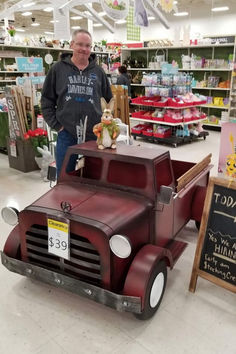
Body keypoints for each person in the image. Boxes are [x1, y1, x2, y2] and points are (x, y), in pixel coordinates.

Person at [41, 29, 113, 177]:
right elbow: (46, 100)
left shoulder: (99, 72)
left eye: (88, 45)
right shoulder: (57, 69)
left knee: (94, 176)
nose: (84, 49)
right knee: (64, 177)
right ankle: (65, 201)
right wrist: (57, 126)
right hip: (66, 133)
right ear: (72, 44)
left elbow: (108, 101)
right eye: (80, 44)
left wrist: (106, 128)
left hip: (95, 135)